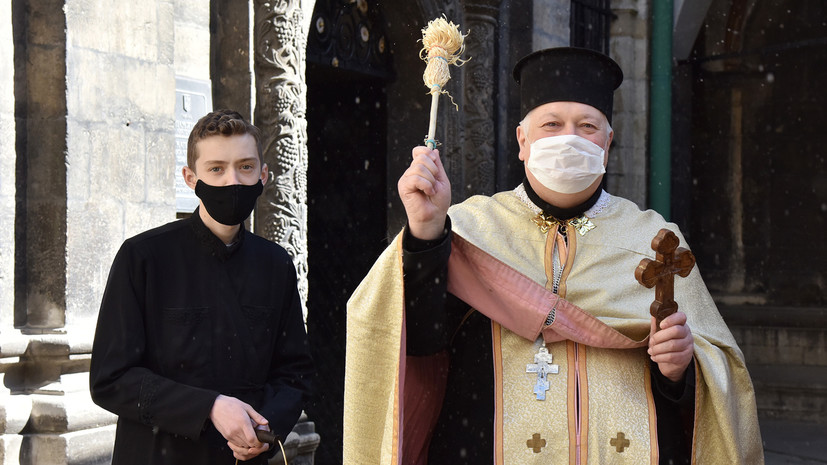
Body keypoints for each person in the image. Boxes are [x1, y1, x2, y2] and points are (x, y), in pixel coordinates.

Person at [344, 48, 763, 464]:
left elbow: (719, 384)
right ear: (522, 140)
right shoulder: (470, 229)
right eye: (551, 125)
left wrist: (679, 371)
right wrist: (425, 233)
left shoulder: (654, 239)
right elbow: (413, 342)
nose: (568, 138)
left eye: (587, 126)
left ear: (609, 143)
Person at [90, 109, 314, 464]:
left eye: (245, 167)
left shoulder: (276, 264)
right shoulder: (143, 256)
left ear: (263, 175)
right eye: (216, 169)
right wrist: (209, 407)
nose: (232, 181)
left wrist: (265, 432)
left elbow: (294, 375)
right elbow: (110, 379)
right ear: (190, 178)